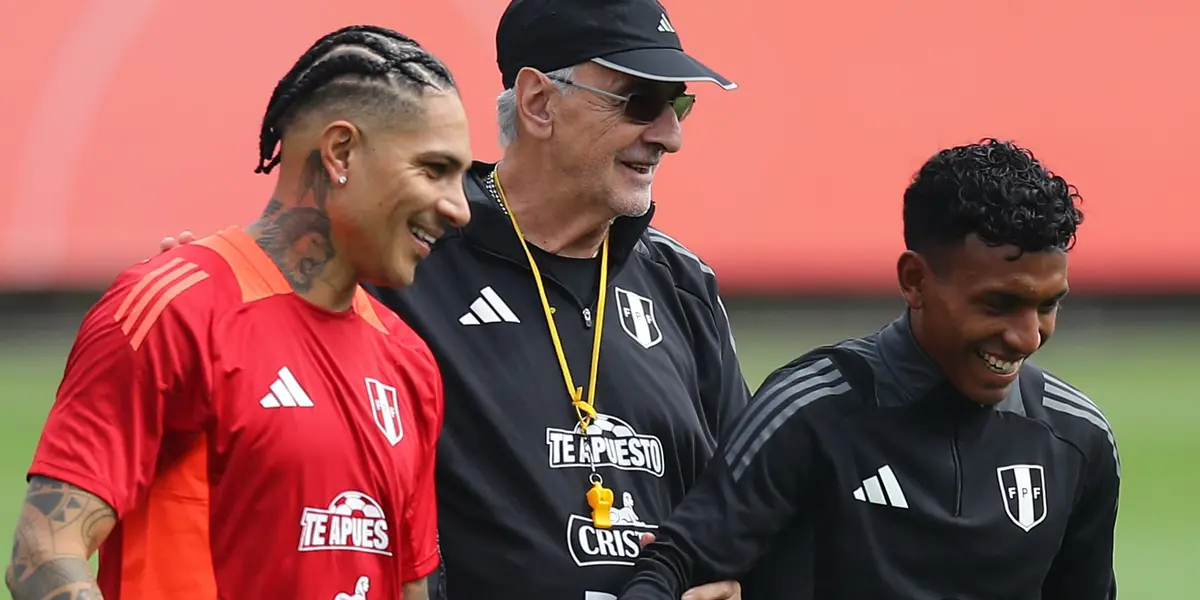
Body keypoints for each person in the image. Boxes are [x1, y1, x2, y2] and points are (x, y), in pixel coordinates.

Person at [158, 0, 749, 598]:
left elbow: (756, 505)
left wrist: (737, 581)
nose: (669, 136)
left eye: (678, 105)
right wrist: (201, 306)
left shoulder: (682, 284)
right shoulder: (398, 257)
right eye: (639, 102)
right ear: (539, 102)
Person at [5, 25, 472, 600]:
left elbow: (409, 587)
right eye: (434, 170)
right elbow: (44, 554)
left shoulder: (409, 361)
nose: (458, 208)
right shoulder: (173, 310)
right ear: (341, 152)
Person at [617, 139, 1121, 600]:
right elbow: (672, 568)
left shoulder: (1077, 439)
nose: (1027, 336)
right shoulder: (807, 412)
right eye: (999, 304)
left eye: (1048, 305)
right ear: (914, 280)